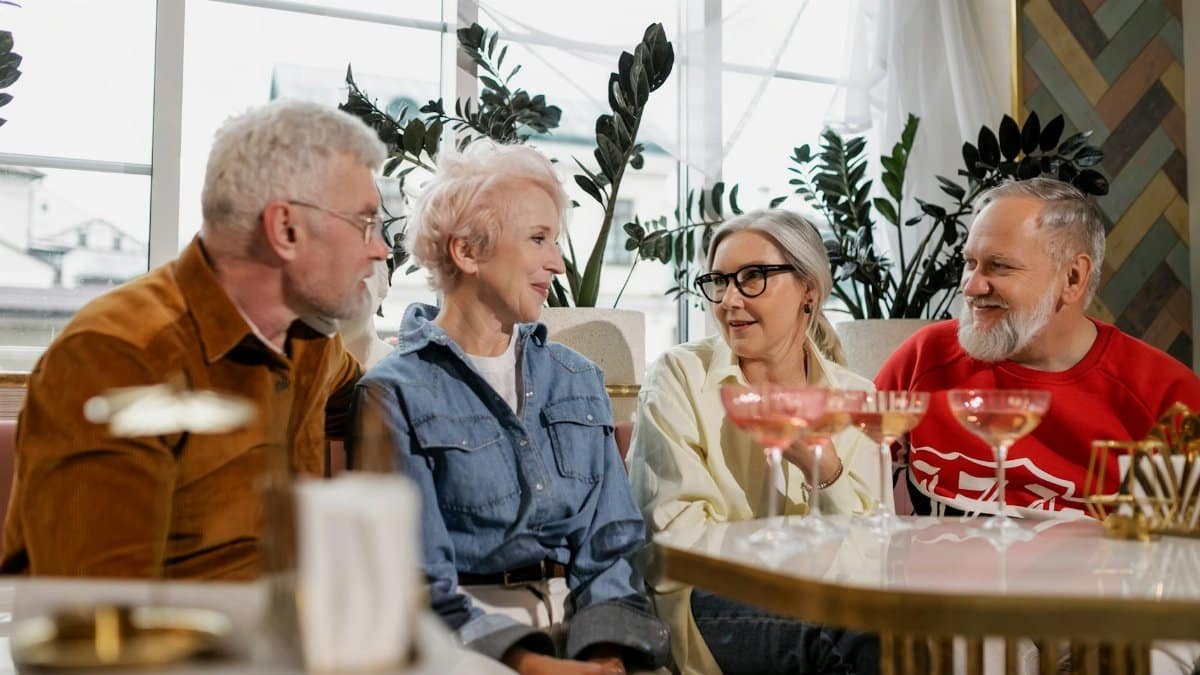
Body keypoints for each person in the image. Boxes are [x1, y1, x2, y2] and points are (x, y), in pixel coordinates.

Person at [1, 99, 388, 579]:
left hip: (289, 637)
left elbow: (372, 402)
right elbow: (100, 621)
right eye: (365, 223)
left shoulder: (312, 342)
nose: (380, 248)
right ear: (285, 229)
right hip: (179, 650)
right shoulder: (116, 357)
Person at [351, 139, 670, 675]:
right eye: (539, 239)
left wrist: (606, 655)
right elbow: (416, 580)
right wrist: (530, 665)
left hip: (590, 633)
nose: (558, 265)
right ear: (467, 251)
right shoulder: (393, 394)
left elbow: (613, 547)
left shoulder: (577, 379)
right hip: (468, 647)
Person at [626, 209, 884, 675]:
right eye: (719, 281)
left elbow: (867, 550)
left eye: (752, 278)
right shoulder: (680, 376)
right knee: (864, 637)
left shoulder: (856, 396)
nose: (728, 300)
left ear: (809, 289)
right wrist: (802, 554)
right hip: (706, 607)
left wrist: (820, 464)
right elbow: (674, 540)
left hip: (827, 602)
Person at [876, 177, 1200, 519]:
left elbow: (1182, 556)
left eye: (999, 266)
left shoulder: (1168, 401)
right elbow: (854, 491)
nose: (971, 287)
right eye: (970, 263)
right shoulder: (924, 357)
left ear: (1072, 278)